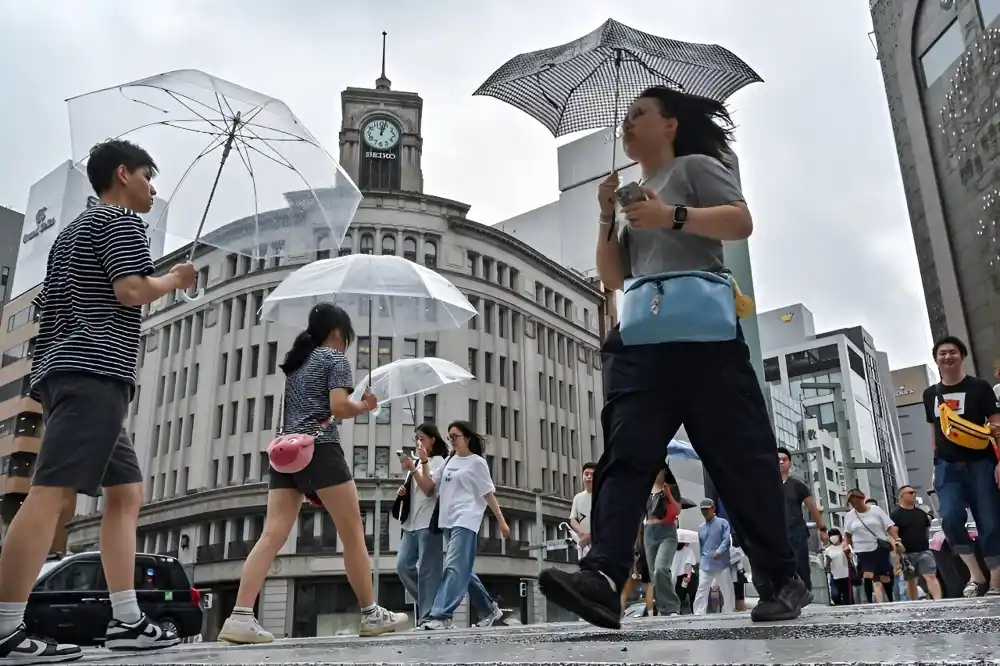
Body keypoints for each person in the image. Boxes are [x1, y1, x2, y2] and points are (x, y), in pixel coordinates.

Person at [537, 86, 809, 629]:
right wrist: (604, 215)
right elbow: (614, 278)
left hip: (706, 339)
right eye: (625, 117)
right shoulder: (630, 193)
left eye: (639, 114)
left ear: (670, 125)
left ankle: (780, 578)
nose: (628, 124)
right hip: (641, 340)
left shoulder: (697, 166)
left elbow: (739, 222)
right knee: (626, 454)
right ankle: (604, 577)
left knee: (740, 460)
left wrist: (671, 216)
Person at [0, 140, 197, 663]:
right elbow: (129, 291)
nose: (154, 190)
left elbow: (52, 303)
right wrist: (175, 279)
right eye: (149, 178)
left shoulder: (69, 234)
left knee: (127, 492)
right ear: (123, 174)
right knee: (51, 493)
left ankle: (126, 620)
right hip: (94, 370)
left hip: (67, 369)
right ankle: (3, 628)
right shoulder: (122, 222)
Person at [218, 303, 406, 643]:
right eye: (346, 334)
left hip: (284, 452)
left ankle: (240, 616)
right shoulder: (333, 359)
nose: (346, 340)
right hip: (320, 449)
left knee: (271, 536)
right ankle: (371, 614)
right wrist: (365, 405)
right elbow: (338, 407)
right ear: (337, 330)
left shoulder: (298, 364)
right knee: (352, 532)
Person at [923, 335, 1000, 597]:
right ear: (936, 359)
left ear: (962, 355)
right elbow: (935, 431)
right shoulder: (930, 394)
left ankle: (996, 581)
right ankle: (976, 575)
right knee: (951, 517)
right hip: (947, 465)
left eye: (953, 352)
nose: (947, 357)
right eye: (942, 353)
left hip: (982, 462)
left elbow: (997, 426)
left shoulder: (980, 387)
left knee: (989, 520)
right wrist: (935, 465)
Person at [422, 421, 510, 630]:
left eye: (455, 436)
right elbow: (430, 486)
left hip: (467, 518)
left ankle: (441, 615)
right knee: (464, 571)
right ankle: (490, 610)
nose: (452, 440)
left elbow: (488, 493)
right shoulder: (449, 460)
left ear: (467, 437)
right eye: (449, 437)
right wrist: (423, 461)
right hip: (447, 520)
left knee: (453, 567)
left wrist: (502, 521)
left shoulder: (477, 462)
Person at [395, 423, 449, 626]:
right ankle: (434, 607)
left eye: (421, 438)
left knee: (429, 571)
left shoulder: (439, 462)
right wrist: (403, 490)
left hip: (428, 522)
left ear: (432, 439)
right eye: (415, 438)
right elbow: (416, 490)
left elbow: (428, 488)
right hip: (410, 523)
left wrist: (413, 468)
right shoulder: (417, 462)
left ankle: (428, 616)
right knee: (402, 566)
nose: (418, 442)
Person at [777, 447, 827, 589]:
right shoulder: (769, 486)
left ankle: (806, 592)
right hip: (777, 533)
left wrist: (822, 528)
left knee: (801, 565)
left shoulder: (798, 485)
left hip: (796, 532)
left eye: (784, 459)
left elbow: (812, 507)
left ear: (789, 463)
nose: (781, 462)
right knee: (781, 567)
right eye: (778, 460)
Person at [843, 489, 899, 603]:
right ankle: (869, 602)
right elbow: (847, 534)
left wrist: (897, 539)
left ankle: (890, 600)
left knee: (884, 576)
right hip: (862, 549)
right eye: (852, 503)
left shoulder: (876, 510)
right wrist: (846, 546)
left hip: (879, 547)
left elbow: (889, 526)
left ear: (862, 499)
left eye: (856, 502)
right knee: (867, 574)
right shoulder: (849, 516)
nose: (854, 505)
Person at [640, 465, 681, 616]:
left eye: (659, 469)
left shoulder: (671, 487)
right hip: (649, 533)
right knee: (653, 574)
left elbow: (677, 510)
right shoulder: (644, 489)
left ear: (664, 471)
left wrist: (668, 494)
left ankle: (672, 606)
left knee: (661, 569)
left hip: (667, 531)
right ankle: (664, 609)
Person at [890, 486, 943, 601]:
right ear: (902, 496)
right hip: (907, 553)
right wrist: (898, 548)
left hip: (924, 550)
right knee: (911, 580)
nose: (914, 494)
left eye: (914, 492)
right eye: (910, 493)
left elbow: (926, 529)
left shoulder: (921, 513)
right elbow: (893, 533)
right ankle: (914, 603)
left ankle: (938, 600)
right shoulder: (896, 514)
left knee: (931, 575)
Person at [693, 500, 735, 615]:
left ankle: (729, 613)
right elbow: (702, 546)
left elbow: (726, 540)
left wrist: (719, 551)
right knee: (701, 590)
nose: (705, 512)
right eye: (703, 510)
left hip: (721, 564)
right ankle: (698, 613)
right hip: (706, 563)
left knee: (727, 591)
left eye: (707, 509)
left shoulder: (723, 523)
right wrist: (702, 559)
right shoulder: (701, 528)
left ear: (713, 508)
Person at [570, 462, 596, 557]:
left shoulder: (603, 497)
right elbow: (573, 520)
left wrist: (590, 536)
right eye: (586, 474)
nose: (589, 477)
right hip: (583, 545)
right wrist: (583, 533)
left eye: (592, 475)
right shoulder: (577, 497)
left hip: (600, 544)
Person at [823, 529, 853, 605]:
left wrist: (848, 552)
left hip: (846, 575)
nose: (833, 537)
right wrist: (827, 562)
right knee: (835, 595)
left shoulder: (845, 546)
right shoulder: (828, 550)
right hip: (834, 575)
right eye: (831, 535)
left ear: (839, 535)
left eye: (835, 534)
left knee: (847, 597)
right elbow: (826, 564)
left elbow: (852, 558)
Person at [672, 541, 698, 614]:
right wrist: (688, 576)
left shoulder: (673, 552)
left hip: (679, 577)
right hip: (689, 575)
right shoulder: (689, 550)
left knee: (679, 597)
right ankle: (695, 613)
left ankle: (678, 613)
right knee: (692, 596)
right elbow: (688, 564)